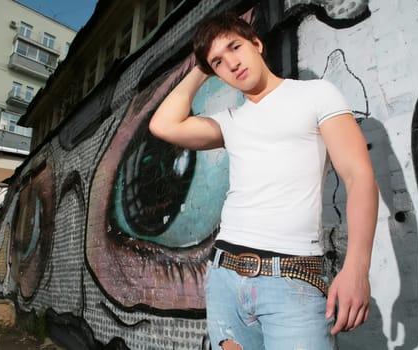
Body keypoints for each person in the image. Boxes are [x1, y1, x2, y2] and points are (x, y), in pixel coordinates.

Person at [149, 13, 378, 350]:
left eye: (234, 47)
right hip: (225, 276)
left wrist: (357, 268)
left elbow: (359, 177)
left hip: (292, 279)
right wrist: (201, 67)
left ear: (256, 44)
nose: (231, 63)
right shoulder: (230, 121)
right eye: (218, 61)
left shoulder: (316, 94)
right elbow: (163, 125)